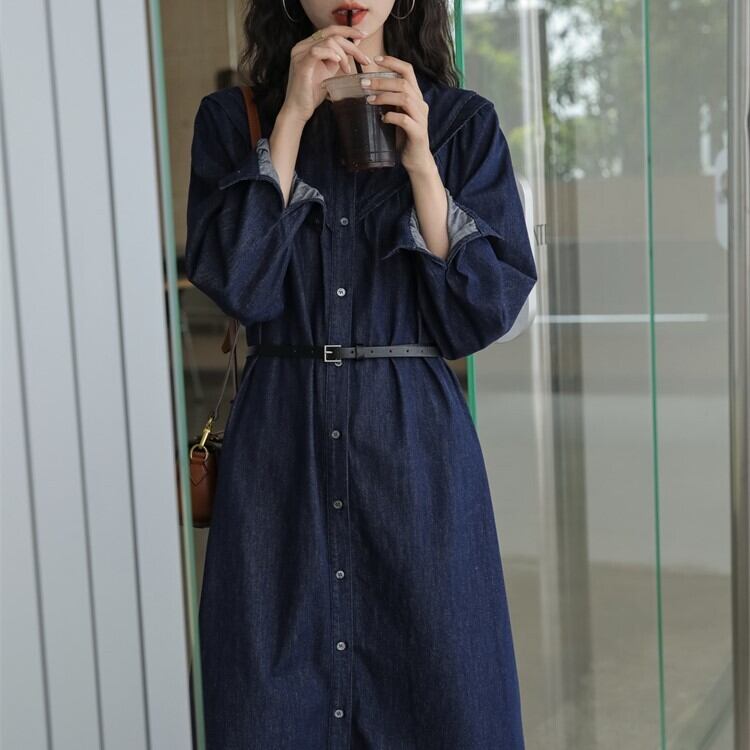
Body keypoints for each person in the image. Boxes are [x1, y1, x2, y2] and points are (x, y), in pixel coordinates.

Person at [184, 0, 537, 746]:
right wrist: (290, 118)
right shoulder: (232, 120)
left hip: (414, 455)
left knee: (443, 697)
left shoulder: (462, 123)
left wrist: (421, 162)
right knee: (267, 705)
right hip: (279, 459)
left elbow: (480, 313)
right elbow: (238, 283)